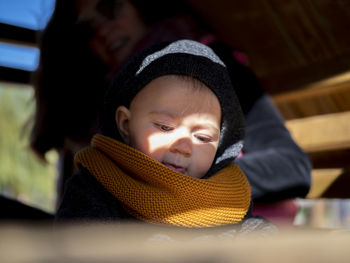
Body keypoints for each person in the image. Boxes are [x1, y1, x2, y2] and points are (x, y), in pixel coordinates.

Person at [31, 0, 311, 223]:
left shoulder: (214, 68)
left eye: (110, 7)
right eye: (88, 30)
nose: (103, 30)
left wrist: (179, 180)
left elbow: (291, 167)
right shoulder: (108, 104)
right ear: (125, 122)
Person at [56, 40, 277, 236]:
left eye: (202, 137)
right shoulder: (98, 183)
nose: (183, 147)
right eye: (164, 126)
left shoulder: (227, 193)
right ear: (125, 125)